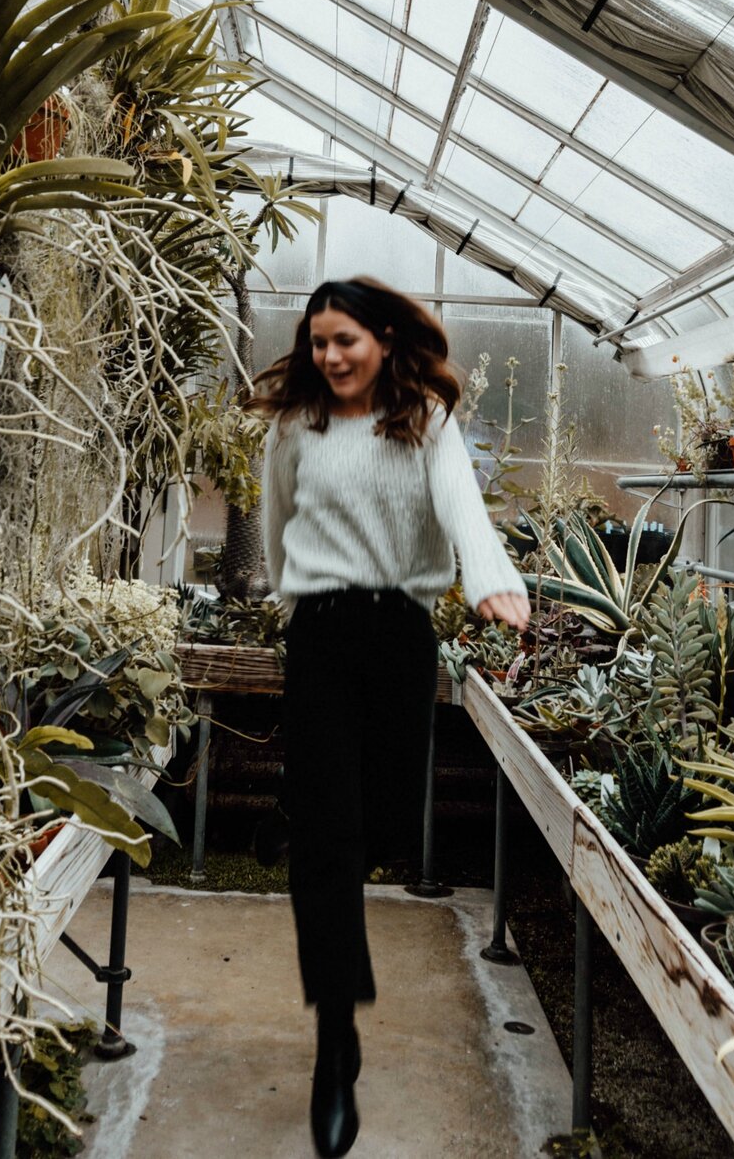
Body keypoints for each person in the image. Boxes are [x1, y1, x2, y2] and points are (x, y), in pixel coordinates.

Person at [251, 277, 530, 1158]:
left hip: (404, 638)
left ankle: (318, 826)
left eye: (345, 341)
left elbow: (462, 505)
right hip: (324, 636)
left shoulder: (426, 424)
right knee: (330, 840)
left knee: (376, 820)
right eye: (318, 343)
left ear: (381, 338)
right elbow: (274, 519)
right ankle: (336, 1041)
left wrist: (490, 577)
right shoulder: (298, 426)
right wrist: (293, 598)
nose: (330, 357)